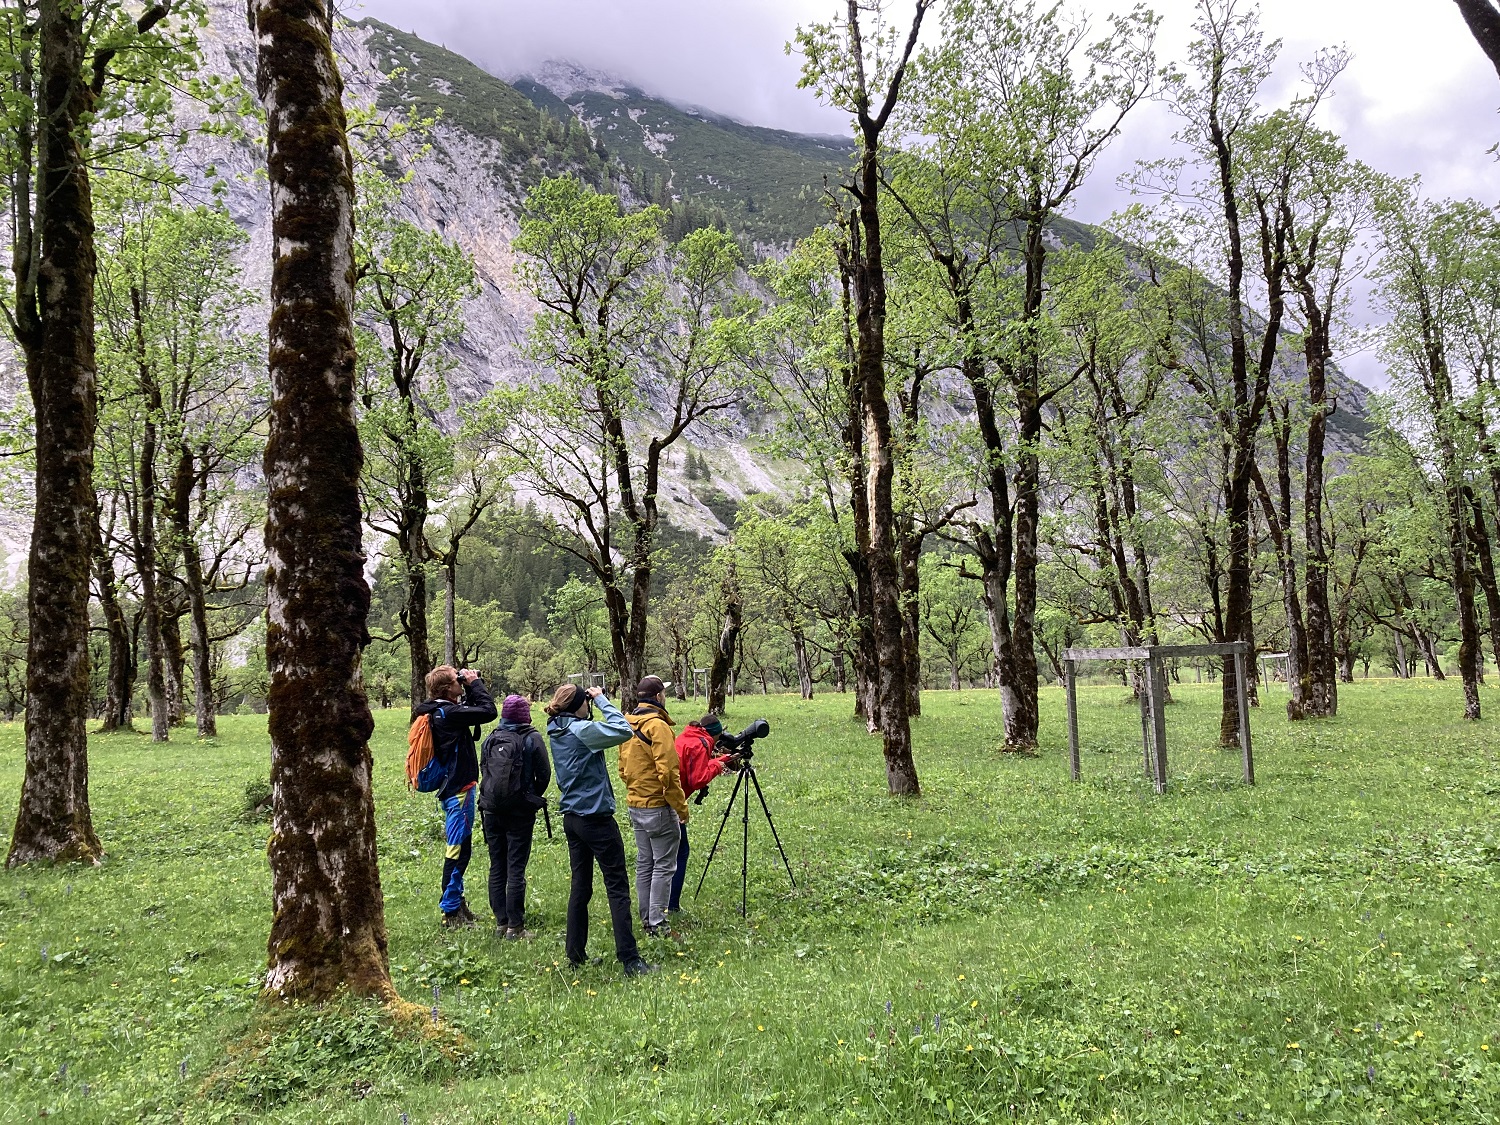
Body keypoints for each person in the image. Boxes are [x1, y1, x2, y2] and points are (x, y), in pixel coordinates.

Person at [546, 683, 656, 978]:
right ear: (578, 704)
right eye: (585, 701)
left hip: (572, 818)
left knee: (580, 888)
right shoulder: (582, 731)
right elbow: (623, 731)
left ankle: (575, 955)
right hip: (596, 819)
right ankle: (630, 959)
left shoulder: (556, 727)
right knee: (617, 888)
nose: (588, 705)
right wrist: (604, 700)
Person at [413, 665, 496, 928]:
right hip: (458, 790)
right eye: (456, 681)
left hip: (457, 787)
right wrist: (475, 683)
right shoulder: (447, 713)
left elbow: (473, 714)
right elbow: (488, 711)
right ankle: (450, 912)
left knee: (463, 848)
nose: (461, 683)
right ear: (448, 687)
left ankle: (457, 903)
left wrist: (469, 688)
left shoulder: (439, 709)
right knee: (457, 850)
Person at [479, 694, 551, 940]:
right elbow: (544, 774)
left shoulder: (490, 739)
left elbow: (484, 771)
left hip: (490, 810)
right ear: (525, 715)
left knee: (497, 865)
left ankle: (501, 922)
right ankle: (515, 927)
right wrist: (529, 796)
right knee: (516, 867)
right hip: (519, 811)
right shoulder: (531, 738)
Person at [622, 675, 689, 937]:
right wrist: (680, 807)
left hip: (635, 803)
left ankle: (646, 919)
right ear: (658, 696)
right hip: (658, 807)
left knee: (645, 863)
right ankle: (658, 924)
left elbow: (622, 767)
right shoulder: (657, 726)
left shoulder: (627, 723)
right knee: (663, 865)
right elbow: (669, 772)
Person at [669, 712, 739, 915]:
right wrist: (719, 765)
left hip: (665, 799)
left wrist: (723, 758)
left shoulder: (688, 736)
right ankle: (671, 906)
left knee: (664, 855)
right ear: (715, 735)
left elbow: (695, 765)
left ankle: (659, 904)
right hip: (672, 804)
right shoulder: (701, 744)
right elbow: (697, 779)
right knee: (679, 853)